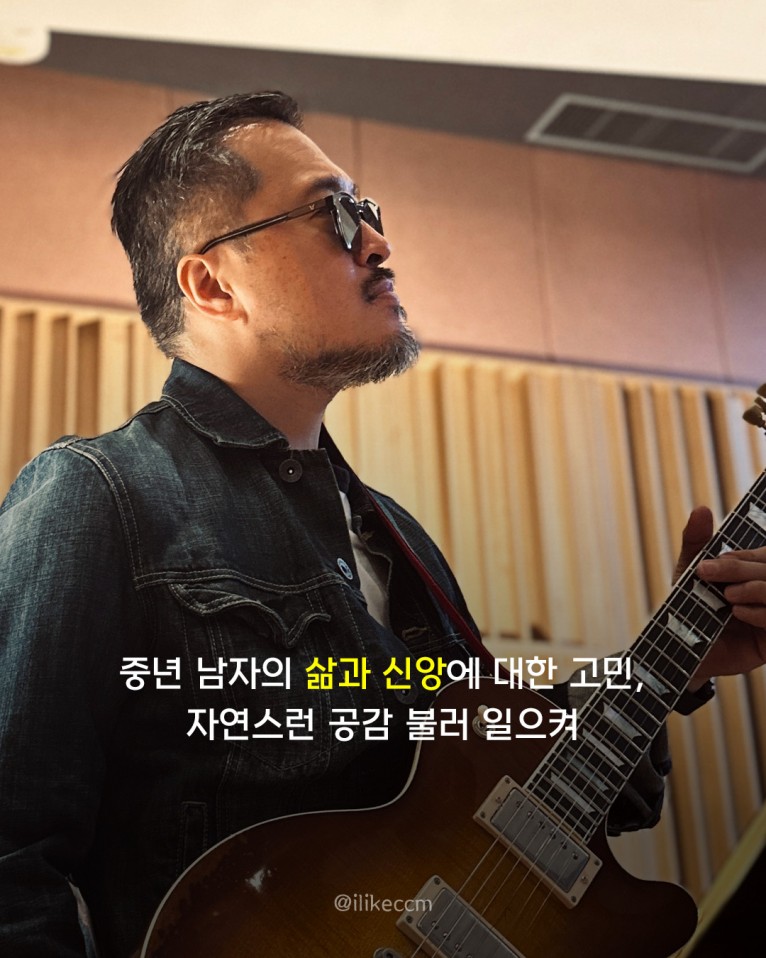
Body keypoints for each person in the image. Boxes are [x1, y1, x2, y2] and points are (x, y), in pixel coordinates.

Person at [0, 90, 764, 958]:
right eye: (333, 214)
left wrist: (679, 663)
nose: (376, 241)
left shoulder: (395, 536)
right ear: (212, 283)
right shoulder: (96, 494)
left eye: (368, 210)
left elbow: (495, 780)